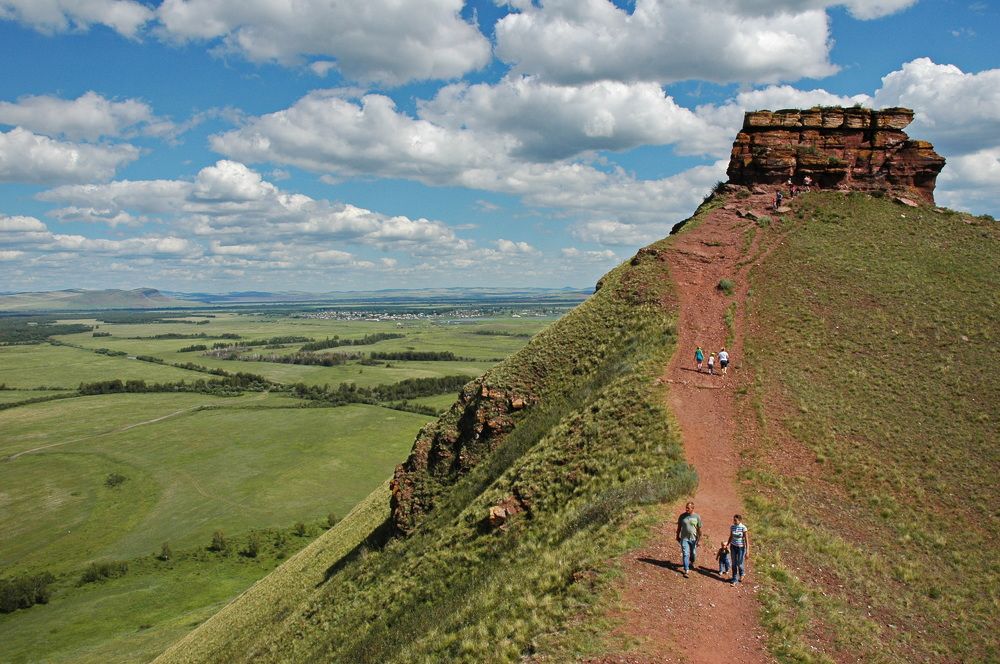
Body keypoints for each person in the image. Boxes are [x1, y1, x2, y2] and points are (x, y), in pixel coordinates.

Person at [675, 501, 702, 578]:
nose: (686, 509)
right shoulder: (682, 516)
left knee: (693, 553)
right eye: (686, 507)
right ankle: (686, 570)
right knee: (685, 553)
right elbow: (679, 527)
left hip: (693, 539)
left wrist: (699, 539)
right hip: (684, 538)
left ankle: (692, 562)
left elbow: (699, 529)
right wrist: (677, 535)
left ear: (692, 508)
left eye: (688, 508)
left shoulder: (697, 517)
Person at [726, 514, 750, 584]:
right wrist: (727, 544)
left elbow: (746, 540)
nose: (734, 521)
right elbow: (731, 536)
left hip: (741, 548)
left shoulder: (743, 528)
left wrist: (747, 551)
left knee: (739, 563)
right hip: (733, 547)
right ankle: (734, 578)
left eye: (735, 520)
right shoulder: (732, 527)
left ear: (740, 520)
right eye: (734, 520)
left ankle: (742, 574)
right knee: (733, 563)